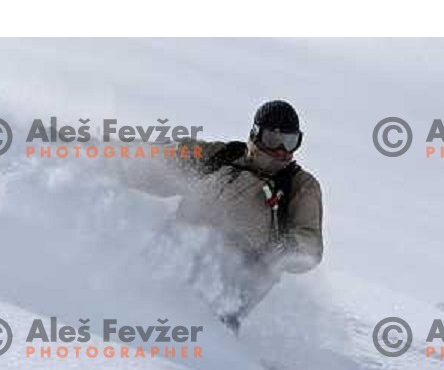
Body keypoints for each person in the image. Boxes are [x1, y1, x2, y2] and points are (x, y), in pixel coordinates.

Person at [121, 100, 323, 332]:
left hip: (236, 279)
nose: (282, 151)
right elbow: (161, 164)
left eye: (290, 142)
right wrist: (108, 163)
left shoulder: (298, 185)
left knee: (195, 325)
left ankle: (214, 356)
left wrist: (283, 248)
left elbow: (310, 243)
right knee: (137, 298)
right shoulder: (222, 156)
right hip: (175, 252)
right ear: (256, 135)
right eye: (273, 139)